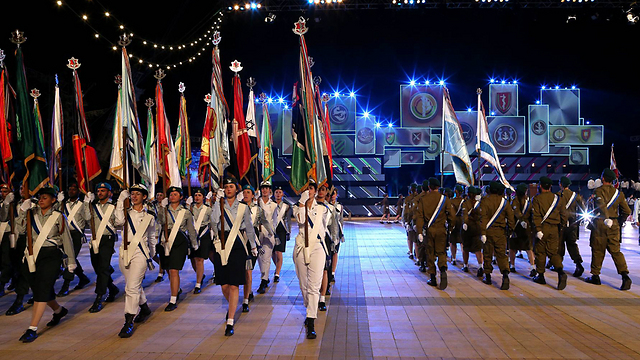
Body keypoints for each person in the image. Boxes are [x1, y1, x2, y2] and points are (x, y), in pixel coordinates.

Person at [18, 186, 76, 343]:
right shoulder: (31, 213)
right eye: (40, 197)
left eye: (45, 197)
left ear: (53, 200)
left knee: (42, 290)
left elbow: (66, 239)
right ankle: (58, 310)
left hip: (51, 256)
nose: (42, 199)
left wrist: (71, 262)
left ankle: (32, 328)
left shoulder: (58, 216)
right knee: (39, 289)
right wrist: (22, 211)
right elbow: (19, 230)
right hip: (32, 256)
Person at [210, 176, 256, 336]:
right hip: (221, 244)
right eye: (226, 187)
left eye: (231, 186)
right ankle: (232, 306)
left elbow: (249, 227)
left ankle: (230, 320)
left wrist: (253, 246)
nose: (228, 189)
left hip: (237, 245)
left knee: (234, 284)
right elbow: (214, 222)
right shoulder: (219, 205)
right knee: (224, 285)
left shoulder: (243, 207)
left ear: (236, 190)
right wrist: (217, 201)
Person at [293, 181, 336, 339]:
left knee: (314, 285)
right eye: (306, 188)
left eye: (311, 188)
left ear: (316, 191)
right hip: (300, 247)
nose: (308, 191)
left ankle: (311, 319)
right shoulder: (297, 207)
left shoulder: (324, 209)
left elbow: (325, 223)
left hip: (317, 247)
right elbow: (300, 220)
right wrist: (302, 203)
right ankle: (309, 307)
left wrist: (309, 204)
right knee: (304, 285)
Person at [114, 184, 157, 338]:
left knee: (131, 287)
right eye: (132, 194)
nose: (134, 196)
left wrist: (151, 255)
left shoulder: (149, 215)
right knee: (132, 285)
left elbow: (152, 237)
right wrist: (120, 200)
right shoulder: (124, 213)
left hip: (140, 253)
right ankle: (144, 308)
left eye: (138, 194)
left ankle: (128, 321)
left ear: (144, 197)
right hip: (125, 252)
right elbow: (118, 222)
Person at [585, 169, 632, 290]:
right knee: (616, 251)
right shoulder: (619, 194)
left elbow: (601, 206)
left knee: (598, 249)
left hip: (601, 223)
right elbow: (627, 211)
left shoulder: (598, 191)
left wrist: (606, 218)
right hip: (614, 224)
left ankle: (595, 276)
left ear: (603, 178)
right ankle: (625, 276)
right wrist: (619, 221)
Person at [157, 186, 198, 311]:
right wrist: (161, 208)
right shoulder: (164, 210)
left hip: (180, 242)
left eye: (175, 194)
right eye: (170, 194)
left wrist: (194, 243)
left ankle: (173, 299)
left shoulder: (185, 212)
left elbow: (191, 229)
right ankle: (177, 288)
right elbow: (160, 221)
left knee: (174, 270)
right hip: (166, 241)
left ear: (180, 197)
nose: (172, 196)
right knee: (168, 269)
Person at [414, 177, 454, 290]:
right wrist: (450, 228)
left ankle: (432, 277)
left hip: (429, 230)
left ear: (429, 187)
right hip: (441, 230)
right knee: (441, 252)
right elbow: (452, 216)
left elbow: (420, 217)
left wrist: (420, 232)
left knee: (430, 253)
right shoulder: (445, 199)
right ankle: (442, 270)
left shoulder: (423, 200)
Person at [531, 176, 568, 290]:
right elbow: (564, 215)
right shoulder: (558, 198)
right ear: (550, 186)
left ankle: (541, 276)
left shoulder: (537, 198)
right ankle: (561, 272)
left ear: (540, 186)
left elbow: (536, 216)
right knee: (553, 253)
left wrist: (538, 229)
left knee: (540, 252)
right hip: (554, 229)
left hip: (542, 228)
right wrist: (560, 227)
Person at [88, 182, 120, 313]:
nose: (100, 193)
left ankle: (99, 297)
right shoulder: (92, 206)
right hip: (94, 240)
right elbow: (85, 218)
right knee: (98, 267)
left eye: (103, 190)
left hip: (107, 239)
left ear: (109, 192)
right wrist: (86, 204)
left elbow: (119, 222)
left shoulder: (114, 207)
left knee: (102, 268)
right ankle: (112, 288)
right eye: (98, 191)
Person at [56, 182, 92, 296]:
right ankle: (82, 277)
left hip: (76, 235)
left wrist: (87, 203)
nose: (71, 191)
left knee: (70, 258)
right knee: (71, 258)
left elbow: (87, 218)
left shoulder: (81, 204)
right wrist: (58, 202)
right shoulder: (63, 204)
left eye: (74, 189)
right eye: (69, 189)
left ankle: (66, 285)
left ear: (78, 191)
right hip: (64, 234)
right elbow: (55, 215)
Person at [479, 181, 515, 290]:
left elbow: (483, 218)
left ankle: (488, 276)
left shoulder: (485, 201)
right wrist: (510, 231)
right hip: (501, 232)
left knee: (487, 254)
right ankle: (505, 275)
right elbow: (511, 219)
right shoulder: (505, 202)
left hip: (489, 231)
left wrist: (483, 232)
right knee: (501, 254)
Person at [3, 183, 32, 315]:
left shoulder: (35, 205)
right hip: (17, 241)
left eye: (25, 188)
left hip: (31, 241)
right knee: (19, 270)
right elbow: (3, 218)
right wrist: (7, 204)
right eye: (20, 188)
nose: (22, 191)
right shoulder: (14, 203)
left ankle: (19, 300)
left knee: (26, 270)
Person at [241, 184, 268, 311]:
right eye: (244, 192)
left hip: (252, 241)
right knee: (241, 270)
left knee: (248, 270)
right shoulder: (238, 208)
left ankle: (245, 300)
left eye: (248, 192)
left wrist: (273, 233)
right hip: (240, 240)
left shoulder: (258, 209)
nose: (246, 194)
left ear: (253, 195)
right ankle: (248, 291)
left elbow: (265, 222)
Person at [557, 176, 585, 277]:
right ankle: (578, 264)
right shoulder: (576, 196)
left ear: (561, 184)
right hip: (573, 223)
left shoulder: (558, 195)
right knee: (572, 244)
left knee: (559, 245)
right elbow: (582, 209)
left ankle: (557, 264)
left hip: (561, 224)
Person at [317, 184, 338, 311]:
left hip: (325, 240)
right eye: (318, 189)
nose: (320, 191)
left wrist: (334, 242)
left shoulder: (330, 208)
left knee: (325, 270)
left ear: (326, 193)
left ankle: (322, 298)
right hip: (313, 240)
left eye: (323, 189)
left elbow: (333, 227)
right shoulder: (310, 206)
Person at [188, 188, 213, 294]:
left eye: (199, 195)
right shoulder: (189, 208)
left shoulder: (207, 209)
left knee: (199, 259)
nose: (197, 197)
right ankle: (200, 274)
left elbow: (212, 222)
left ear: (203, 197)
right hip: (192, 234)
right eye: (196, 195)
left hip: (203, 234)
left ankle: (198, 284)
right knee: (192, 259)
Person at [510, 183, 536, 277]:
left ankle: (512, 265)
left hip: (516, 228)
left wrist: (521, 220)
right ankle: (532, 267)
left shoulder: (514, 201)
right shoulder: (529, 202)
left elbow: (515, 212)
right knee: (529, 248)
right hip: (526, 228)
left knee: (513, 248)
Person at [257, 181, 277, 295]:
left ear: (270, 190)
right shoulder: (256, 202)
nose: (265, 190)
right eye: (263, 188)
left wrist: (272, 232)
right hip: (257, 235)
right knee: (260, 258)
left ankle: (263, 281)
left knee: (266, 258)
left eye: (267, 188)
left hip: (268, 234)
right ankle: (264, 275)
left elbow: (274, 221)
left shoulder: (273, 205)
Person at [461, 186, 484, 277]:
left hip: (468, 228)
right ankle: (480, 266)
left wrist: (465, 223)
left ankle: (465, 265)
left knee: (466, 248)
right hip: (477, 228)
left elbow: (465, 214)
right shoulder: (480, 204)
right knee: (478, 249)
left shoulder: (465, 203)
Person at [272, 185, 291, 283]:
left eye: (280, 192)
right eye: (276, 192)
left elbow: (288, 220)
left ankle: (277, 273)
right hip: (272, 230)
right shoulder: (270, 204)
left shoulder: (286, 206)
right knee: (272, 252)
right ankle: (277, 267)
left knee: (278, 252)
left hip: (282, 230)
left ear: (283, 194)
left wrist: (289, 232)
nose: (278, 194)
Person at [329, 189, 344, 284]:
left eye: (334, 194)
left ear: (336, 195)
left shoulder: (340, 206)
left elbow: (341, 221)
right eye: (331, 194)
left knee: (335, 253)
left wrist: (341, 233)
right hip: (327, 233)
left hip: (337, 234)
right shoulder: (325, 205)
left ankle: (333, 273)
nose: (332, 196)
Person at [412, 181, 428, 271]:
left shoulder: (418, 198)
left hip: (421, 224)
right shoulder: (434, 198)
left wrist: (414, 224)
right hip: (432, 224)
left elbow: (415, 213)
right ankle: (429, 262)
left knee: (421, 244)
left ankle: (422, 263)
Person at [449, 185, 465, 265]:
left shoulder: (451, 201)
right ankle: (464, 260)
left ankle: (454, 258)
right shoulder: (465, 201)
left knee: (453, 241)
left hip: (454, 221)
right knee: (462, 242)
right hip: (462, 221)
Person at [153, 191, 166, 283]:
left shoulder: (166, 206)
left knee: (161, 253)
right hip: (153, 231)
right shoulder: (153, 205)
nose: (159, 196)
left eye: (161, 195)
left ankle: (160, 272)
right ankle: (163, 265)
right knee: (152, 254)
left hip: (162, 231)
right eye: (158, 194)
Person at [403, 184, 417, 260]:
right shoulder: (419, 198)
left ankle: (411, 252)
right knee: (416, 239)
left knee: (410, 237)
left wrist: (405, 221)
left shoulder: (407, 199)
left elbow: (405, 211)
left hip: (410, 220)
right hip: (417, 221)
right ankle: (417, 255)